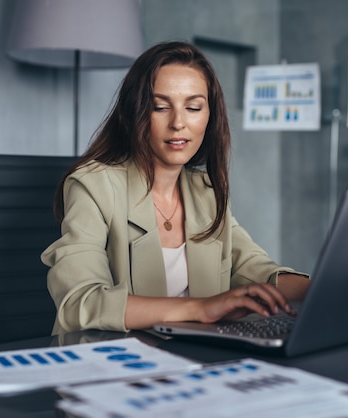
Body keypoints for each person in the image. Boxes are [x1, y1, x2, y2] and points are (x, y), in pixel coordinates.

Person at [41, 40, 310, 335]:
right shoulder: (93, 185)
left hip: (193, 359)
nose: (178, 123)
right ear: (135, 113)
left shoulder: (206, 190)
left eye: (193, 107)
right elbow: (80, 302)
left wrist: (325, 290)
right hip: (114, 361)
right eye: (160, 107)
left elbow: (253, 268)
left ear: (210, 116)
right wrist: (200, 308)